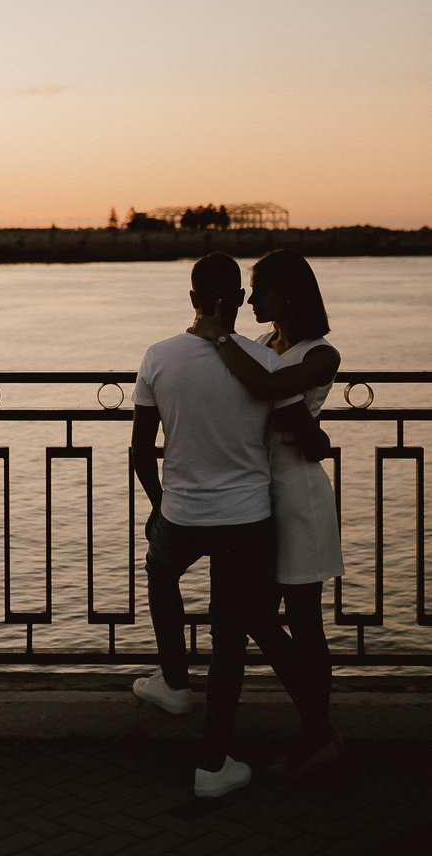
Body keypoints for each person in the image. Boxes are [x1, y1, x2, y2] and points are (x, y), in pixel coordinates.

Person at [131, 252, 325, 799]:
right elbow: (293, 424)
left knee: (159, 566)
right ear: (240, 301)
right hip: (248, 518)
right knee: (229, 637)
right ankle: (212, 764)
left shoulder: (159, 358)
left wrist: (159, 504)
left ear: (193, 299)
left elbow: (142, 452)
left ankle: (173, 680)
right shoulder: (262, 363)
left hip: (183, 514)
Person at [187, 248, 343, 774]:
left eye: (261, 289)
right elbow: (263, 403)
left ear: (289, 292)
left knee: (304, 620)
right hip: (257, 498)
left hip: (299, 500)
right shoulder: (258, 345)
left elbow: (271, 388)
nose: (250, 298)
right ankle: (318, 726)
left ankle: (316, 735)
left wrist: (219, 337)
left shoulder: (322, 354)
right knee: (254, 612)